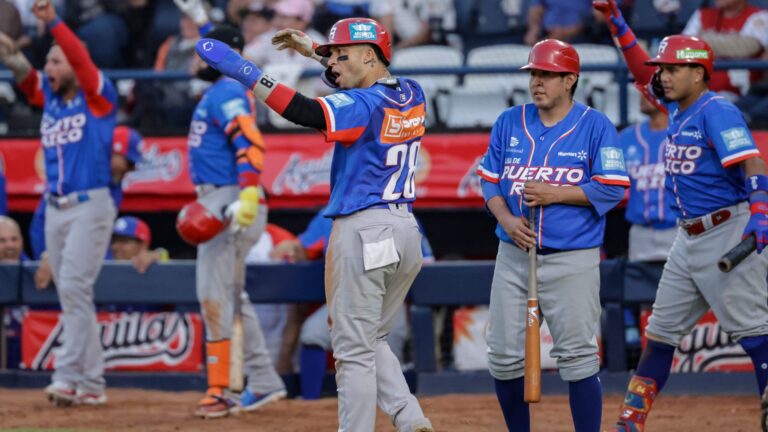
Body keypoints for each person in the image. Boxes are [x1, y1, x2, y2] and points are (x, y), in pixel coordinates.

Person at [195, 16, 435, 432]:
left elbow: (305, 111)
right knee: (371, 338)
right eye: (332, 55)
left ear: (370, 55)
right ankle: (409, 419)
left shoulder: (362, 104)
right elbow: (356, 78)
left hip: (364, 230)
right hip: (404, 231)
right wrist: (317, 52)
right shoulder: (412, 92)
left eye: (343, 55)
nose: (333, 63)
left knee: (352, 351)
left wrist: (245, 71)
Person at [593, 1, 768, 431]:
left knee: (756, 335)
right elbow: (638, 70)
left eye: (672, 68)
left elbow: (752, 163)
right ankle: (630, 422)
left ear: (699, 73)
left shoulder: (717, 110)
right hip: (687, 238)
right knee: (660, 336)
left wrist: (761, 213)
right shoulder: (675, 108)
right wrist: (617, 21)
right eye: (663, 68)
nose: (663, 75)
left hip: (726, 229)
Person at [477, 39, 629, 432]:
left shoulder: (595, 126)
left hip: (572, 257)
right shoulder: (509, 120)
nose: (537, 82)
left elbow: (613, 187)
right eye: (534, 74)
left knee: (578, 357)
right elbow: (489, 181)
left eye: (547, 74)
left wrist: (556, 193)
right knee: (504, 358)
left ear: (570, 79)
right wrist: (506, 219)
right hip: (513, 253)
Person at [173, 0, 287, 419]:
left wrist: (249, 194)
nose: (194, 60)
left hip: (231, 197)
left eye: (201, 53)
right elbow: (220, 50)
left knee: (215, 297)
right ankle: (263, 381)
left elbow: (250, 143)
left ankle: (222, 389)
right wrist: (204, 21)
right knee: (231, 298)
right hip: (222, 195)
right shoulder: (222, 88)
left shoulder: (226, 92)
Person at [0, 2, 117, 407]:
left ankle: (67, 376)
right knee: (75, 295)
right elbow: (27, 79)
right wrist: (12, 56)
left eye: (55, 61)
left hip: (91, 204)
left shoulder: (98, 95)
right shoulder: (50, 97)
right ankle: (92, 382)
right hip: (55, 206)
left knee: (74, 286)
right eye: (47, 62)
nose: (49, 68)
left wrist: (53, 23)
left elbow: (80, 60)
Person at [30, 125, 144, 289]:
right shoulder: (79, 174)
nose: (130, 169)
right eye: (129, 161)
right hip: (56, 265)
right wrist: (46, 254)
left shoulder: (115, 186)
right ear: (112, 152)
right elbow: (41, 222)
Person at [621, 93, 676, 262]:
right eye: (641, 92)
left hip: (679, 230)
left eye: (650, 92)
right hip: (640, 232)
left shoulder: (686, 133)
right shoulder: (626, 137)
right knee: (639, 287)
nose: (642, 96)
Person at [682, 0, 768, 99]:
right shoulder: (702, 14)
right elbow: (683, 48)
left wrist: (701, 42)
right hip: (697, 91)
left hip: (740, 94)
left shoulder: (760, 16)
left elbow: (749, 47)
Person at [524, 0, 594, 46]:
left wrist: (566, 32)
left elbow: (599, 15)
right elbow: (536, 10)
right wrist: (534, 30)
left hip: (580, 38)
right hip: (546, 36)